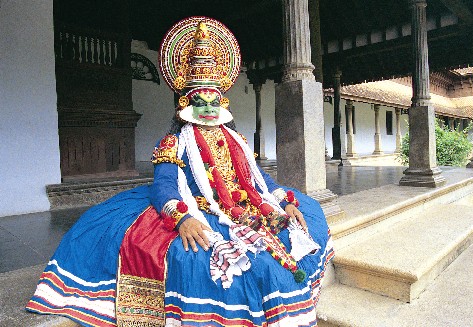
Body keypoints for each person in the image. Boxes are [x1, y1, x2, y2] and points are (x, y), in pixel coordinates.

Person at [26, 16, 334, 327]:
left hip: (246, 204)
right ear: (185, 103)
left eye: (214, 101)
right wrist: (183, 218)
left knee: (306, 219)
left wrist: (285, 201)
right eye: (201, 101)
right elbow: (164, 187)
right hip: (202, 208)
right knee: (223, 263)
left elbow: (258, 179)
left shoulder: (236, 139)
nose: (209, 109)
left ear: (223, 102)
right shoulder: (174, 142)